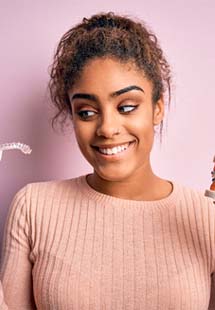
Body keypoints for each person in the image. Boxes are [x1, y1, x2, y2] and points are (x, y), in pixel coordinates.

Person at [0, 11, 214, 310]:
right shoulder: (33, 208)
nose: (107, 129)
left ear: (157, 107)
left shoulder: (207, 216)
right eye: (86, 112)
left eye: (126, 107)